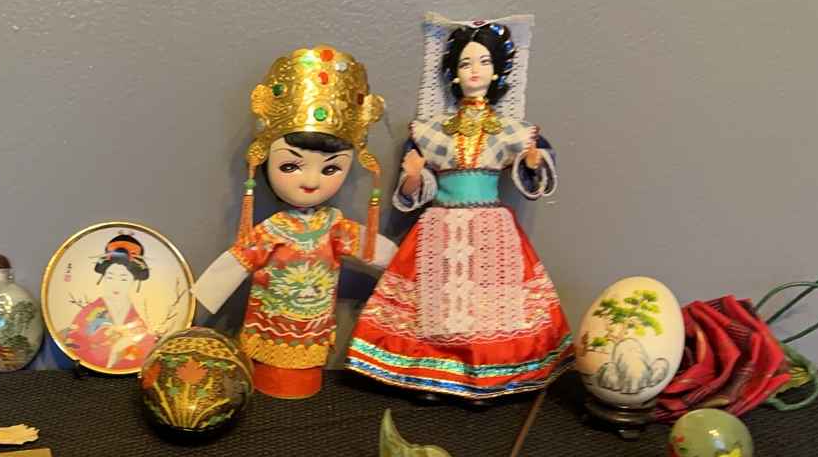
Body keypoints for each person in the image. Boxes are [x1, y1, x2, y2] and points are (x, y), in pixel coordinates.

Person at [346, 20, 570, 401]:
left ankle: (488, 377)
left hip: (491, 227)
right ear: (454, 73)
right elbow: (415, 186)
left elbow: (535, 175)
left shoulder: (512, 130)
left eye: (483, 62)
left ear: (497, 71)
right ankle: (430, 375)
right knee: (435, 303)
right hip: (441, 223)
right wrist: (413, 177)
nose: (475, 71)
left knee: (489, 305)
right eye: (466, 63)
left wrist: (532, 162)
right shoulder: (431, 131)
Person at [194, 45, 396, 399]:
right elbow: (235, 264)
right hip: (270, 328)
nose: (312, 180)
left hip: (314, 330)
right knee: (270, 382)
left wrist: (404, 264)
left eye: (331, 168)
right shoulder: (272, 231)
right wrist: (195, 303)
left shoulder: (335, 227)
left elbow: (375, 250)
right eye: (291, 166)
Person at [63, 234, 158, 371]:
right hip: (91, 374)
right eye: (110, 277)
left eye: (123, 279)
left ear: (134, 281)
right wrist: (113, 354)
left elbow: (147, 352)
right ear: (103, 278)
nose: (115, 284)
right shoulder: (88, 314)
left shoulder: (139, 320)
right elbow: (76, 347)